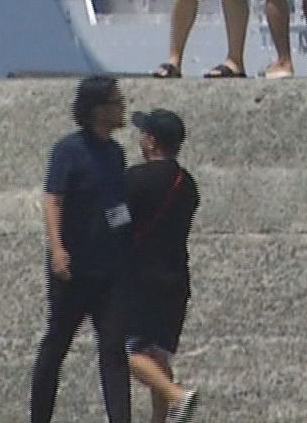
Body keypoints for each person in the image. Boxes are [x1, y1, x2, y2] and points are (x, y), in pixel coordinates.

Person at [30, 76, 134, 423]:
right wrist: (57, 249)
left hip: (109, 268)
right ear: (98, 109)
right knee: (57, 344)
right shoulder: (69, 150)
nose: (123, 107)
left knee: (114, 350)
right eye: (116, 101)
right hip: (73, 267)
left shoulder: (116, 153)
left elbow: (117, 206)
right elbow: (52, 200)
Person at [119, 108, 202, 423]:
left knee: (126, 350)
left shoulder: (133, 179)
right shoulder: (187, 183)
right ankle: (161, 418)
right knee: (158, 355)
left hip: (140, 278)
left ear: (151, 142)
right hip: (176, 278)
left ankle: (175, 396)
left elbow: (117, 221)